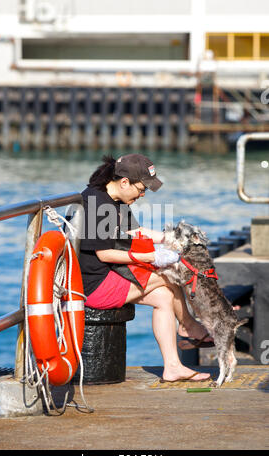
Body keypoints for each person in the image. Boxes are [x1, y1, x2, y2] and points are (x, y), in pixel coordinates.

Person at [78, 153, 211, 382]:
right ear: (124, 182)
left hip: (109, 275)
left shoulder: (115, 200)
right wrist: (151, 257)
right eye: (141, 189)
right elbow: (104, 253)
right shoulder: (96, 203)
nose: (142, 195)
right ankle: (189, 326)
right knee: (171, 273)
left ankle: (172, 366)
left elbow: (135, 232)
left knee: (163, 297)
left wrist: (172, 239)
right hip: (94, 286)